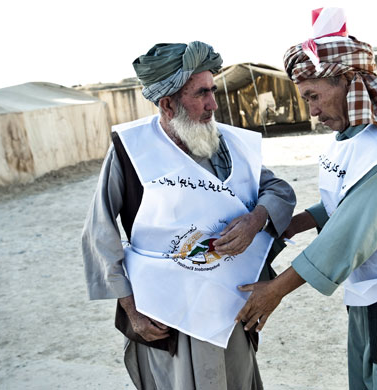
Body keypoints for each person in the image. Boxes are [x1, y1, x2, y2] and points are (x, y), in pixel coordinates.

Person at [235, 7, 377, 390]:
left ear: (347, 81)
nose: (311, 111)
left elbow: (352, 232)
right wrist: (291, 224)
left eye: (314, 96)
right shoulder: (352, 140)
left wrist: (276, 290)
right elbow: (345, 201)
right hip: (370, 295)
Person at [81, 41, 296, 390]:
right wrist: (132, 308)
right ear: (168, 103)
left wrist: (256, 218)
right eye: (201, 94)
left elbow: (279, 191)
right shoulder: (130, 149)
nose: (213, 104)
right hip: (164, 315)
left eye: (213, 90)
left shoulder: (226, 144)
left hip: (228, 307)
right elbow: (98, 232)